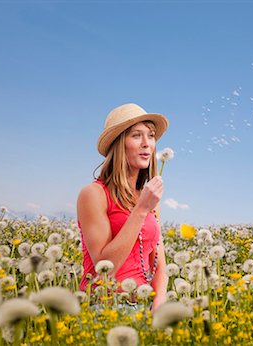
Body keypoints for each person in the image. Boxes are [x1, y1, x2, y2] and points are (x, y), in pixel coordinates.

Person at [76, 103, 169, 312]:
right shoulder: (94, 194)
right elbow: (104, 269)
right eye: (136, 135)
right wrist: (141, 210)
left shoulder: (150, 200)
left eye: (151, 135)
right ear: (119, 144)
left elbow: (159, 264)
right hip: (105, 308)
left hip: (146, 307)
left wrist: (160, 301)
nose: (147, 143)